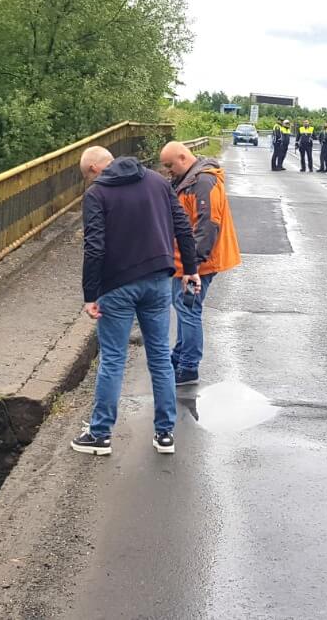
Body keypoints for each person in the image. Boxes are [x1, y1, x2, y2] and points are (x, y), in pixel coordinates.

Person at [74, 146, 201, 457]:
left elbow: (94, 247)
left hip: (117, 286)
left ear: (94, 169)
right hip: (157, 281)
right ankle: (165, 434)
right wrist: (190, 269)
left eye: (88, 176)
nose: (90, 181)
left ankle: (100, 435)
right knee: (159, 358)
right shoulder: (157, 182)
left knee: (113, 359)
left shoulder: (96, 194)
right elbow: (182, 226)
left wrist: (90, 294)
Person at [158, 141, 241, 387]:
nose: (168, 171)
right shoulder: (190, 180)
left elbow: (208, 225)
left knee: (188, 310)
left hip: (198, 263)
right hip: (189, 261)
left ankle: (188, 367)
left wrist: (191, 266)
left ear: (183, 158)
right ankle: (180, 357)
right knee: (185, 308)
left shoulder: (203, 182)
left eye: (169, 165)